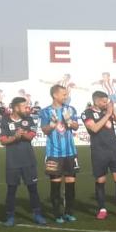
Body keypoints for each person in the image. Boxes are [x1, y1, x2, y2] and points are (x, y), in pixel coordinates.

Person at [0, 97, 47, 226]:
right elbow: (3, 140)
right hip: (12, 161)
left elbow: (31, 136)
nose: (28, 109)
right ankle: (10, 216)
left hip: (28, 160)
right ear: (16, 108)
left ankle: (37, 214)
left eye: (28, 106)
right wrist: (15, 137)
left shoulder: (29, 119)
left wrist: (22, 134)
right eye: (25, 107)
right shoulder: (5, 119)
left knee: (33, 189)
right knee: (11, 190)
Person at [83, 90, 116, 219]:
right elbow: (94, 128)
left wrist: (113, 111)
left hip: (113, 150)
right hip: (99, 151)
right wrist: (108, 114)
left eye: (107, 101)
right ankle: (102, 209)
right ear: (96, 101)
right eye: (104, 101)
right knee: (101, 180)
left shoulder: (108, 111)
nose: (106, 103)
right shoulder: (87, 113)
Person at [39, 84, 81, 223]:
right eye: (63, 94)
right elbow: (44, 130)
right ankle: (57, 214)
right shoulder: (45, 111)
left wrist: (69, 121)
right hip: (54, 154)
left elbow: (76, 126)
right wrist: (52, 124)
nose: (66, 96)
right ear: (55, 95)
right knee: (55, 184)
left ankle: (69, 212)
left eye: (66, 94)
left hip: (70, 152)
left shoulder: (70, 109)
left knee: (70, 183)